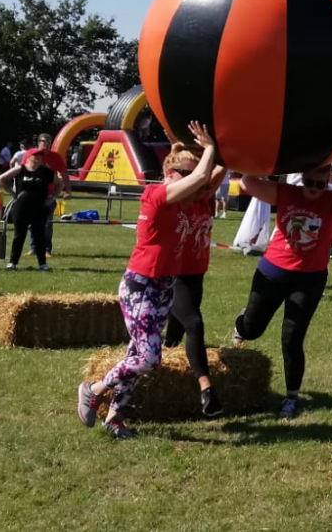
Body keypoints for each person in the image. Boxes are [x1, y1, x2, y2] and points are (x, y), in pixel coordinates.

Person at [77, 122, 217, 439]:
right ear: (168, 174)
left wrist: (207, 156)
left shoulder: (183, 202)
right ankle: (93, 389)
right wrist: (210, 148)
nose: (193, 184)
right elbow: (201, 177)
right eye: (183, 175)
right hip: (141, 286)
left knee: (135, 357)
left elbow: (205, 179)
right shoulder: (155, 195)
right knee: (149, 358)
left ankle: (114, 418)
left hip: (163, 286)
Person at [232, 144, 332, 418]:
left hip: (309, 280)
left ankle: (291, 397)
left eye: (320, 182)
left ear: (328, 179)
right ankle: (242, 322)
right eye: (310, 181)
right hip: (272, 272)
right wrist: (274, 161)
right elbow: (247, 181)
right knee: (252, 329)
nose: (314, 187)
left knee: (292, 338)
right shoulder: (285, 193)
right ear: (301, 177)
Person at [163, 153, 228, 417]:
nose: (197, 182)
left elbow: (222, 167)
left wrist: (224, 148)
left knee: (175, 335)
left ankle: (168, 371)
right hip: (174, 275)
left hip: (195, 275)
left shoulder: (203, 198)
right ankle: (206, 389)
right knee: (194, 323)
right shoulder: (177, 200)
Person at [0, 148, 62, 271]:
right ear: (29, 156)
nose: (38, 158)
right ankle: (13, 263)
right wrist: (12, 193)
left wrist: (52, 197)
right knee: (19, 235)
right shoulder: (20, 169)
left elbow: (60, 183)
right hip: (21, 208)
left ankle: (42, 264)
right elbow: (1, 179)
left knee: (39, 235)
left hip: (39, 208)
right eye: (35, 156)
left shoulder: (46, 171)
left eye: (40, 156)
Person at [31, 133, 71, 256]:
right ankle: (33, 248)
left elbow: (64, 175)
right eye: (44, 142)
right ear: (38, 142)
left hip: (49, 195)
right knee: (32, 223)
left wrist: (68, 190)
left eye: (49, 142)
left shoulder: (56, 157)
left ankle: (47, 249)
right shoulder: (32, 155)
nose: (47, 144)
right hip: (32, 195)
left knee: (47, 224)